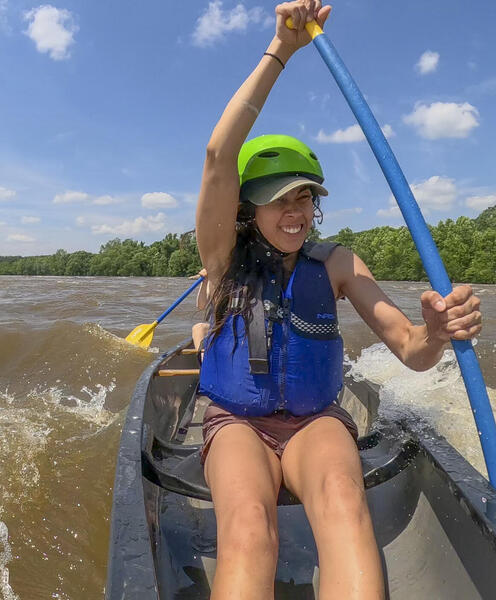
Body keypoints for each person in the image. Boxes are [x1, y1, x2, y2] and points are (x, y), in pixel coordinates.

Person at [195, 2, 482, 598]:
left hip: (313, 421)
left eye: (303, 198)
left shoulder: (340, 264)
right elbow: (220, 156)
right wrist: (281, 51)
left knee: (347, 505)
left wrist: (436, 329)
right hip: (237, 421)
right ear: (249, 209)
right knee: (250, 527)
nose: (294, 213)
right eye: (278, 200)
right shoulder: (221, 260)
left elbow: (412, 351)